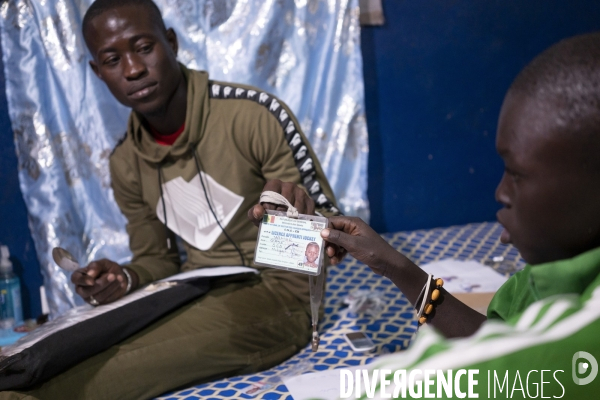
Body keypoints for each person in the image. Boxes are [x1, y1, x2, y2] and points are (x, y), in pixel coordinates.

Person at [1, 0, 338, 398]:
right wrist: (123, 278)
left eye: (144, 47)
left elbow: (330, 235)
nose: (133, 69)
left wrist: (303, 224)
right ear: (97, 72)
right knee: (53, 352)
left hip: (281, 295)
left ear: (171, 43)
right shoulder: (126, 161)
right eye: (112, 59)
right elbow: (159, 260)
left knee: (102, 373)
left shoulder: (253, 116)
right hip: (192, 290)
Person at [319, 33, 600, 397]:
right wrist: (395, 266)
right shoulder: (541, 278)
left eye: (516, 174)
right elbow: (493, 339)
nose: (500, 192)